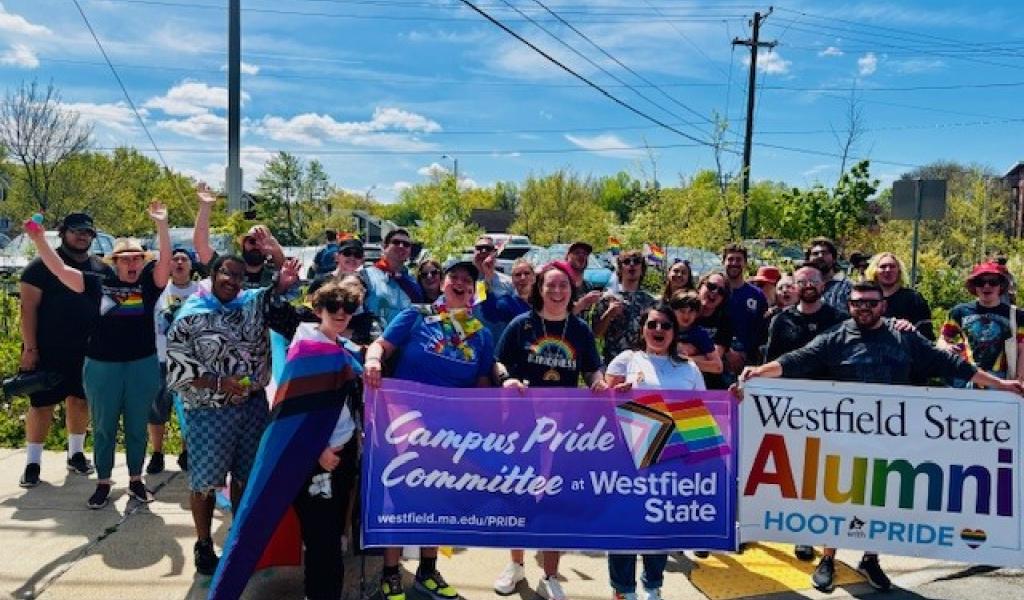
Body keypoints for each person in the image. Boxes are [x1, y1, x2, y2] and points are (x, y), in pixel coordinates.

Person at [740, 280, 1024, 593]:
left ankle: (870, 558)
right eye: (858, 302)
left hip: (891, 438)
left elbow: (950, 363)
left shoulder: (904, 336)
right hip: (843, 435)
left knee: (880, 499)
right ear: (849, 306)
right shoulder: (835, 336)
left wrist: (1001, 385)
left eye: (871, 303)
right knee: (837, 498)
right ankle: (829, 558)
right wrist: (759, 371)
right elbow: (797, 360)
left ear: (883, 305)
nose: (864, 308)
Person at [208, 278, 365, 600]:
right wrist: (318, 450)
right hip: (314, 460)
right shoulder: (307, 351)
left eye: (348, 308)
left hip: (343, 452)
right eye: (333, 307)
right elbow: (291, 415)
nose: (341, 313)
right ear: (318, 310)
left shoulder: (342, 348)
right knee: (321, 539)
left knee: (331, 535)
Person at [364, 261, 495, 600]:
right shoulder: (417, 315)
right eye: (455, 278)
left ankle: (427, 571)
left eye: (468, 281)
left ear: (473, 292)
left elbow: (482, 385)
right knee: (399, 497)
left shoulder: (481, 334)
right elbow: (380, 346)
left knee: (438, 499)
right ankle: (391, 574)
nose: (460, 283)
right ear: (443, 283)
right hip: (403, 425)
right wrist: (373, 361)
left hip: (451, 433)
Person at [26, 203, 171, 509]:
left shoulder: (149, 285)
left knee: (136, 427)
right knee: (104, 427)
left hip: (142, 364)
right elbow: (60, 270)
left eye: (136, 258)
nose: (131, 263)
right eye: (125, 258)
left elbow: (166, 263)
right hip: (102, 366)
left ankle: (136, 480)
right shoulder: (96, 283)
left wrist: (162, 225)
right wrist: (39, 240)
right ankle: (103, 482)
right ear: (115, 263)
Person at [166, 255, 304, 575]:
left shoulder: (251, 303)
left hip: (252, 406)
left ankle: (239, 537)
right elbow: (177, 372)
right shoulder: (190, 315)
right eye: (227, 273)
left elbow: (275, 299)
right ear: (214, 274)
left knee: (246, 476)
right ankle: (203, 544)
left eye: (239, 276)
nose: (233, 281)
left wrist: (283, 283)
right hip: (209, 411)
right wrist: (219, 383)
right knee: (206, 481)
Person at [494, 261, 606, 600]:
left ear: (572, 291)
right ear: (539, 289)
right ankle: (515, 565)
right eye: (551, 285)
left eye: (563, 286)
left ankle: (551, 575)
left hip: (565, 428)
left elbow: (593, 368)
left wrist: (598, 382)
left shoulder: (579, 329)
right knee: (519, 492)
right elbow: (498, 360)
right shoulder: (521, 324)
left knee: (556, 497)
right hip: (522, 425)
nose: (557, 291)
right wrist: (506, 378)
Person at [604, 304, 704, 600]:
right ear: (643, 329)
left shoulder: (689, 368)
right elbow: (602, 407)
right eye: (652, 324)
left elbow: (703, 413)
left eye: (665, 325)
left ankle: (652, 586)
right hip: (626, 456)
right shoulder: (626, 359)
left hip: (670, 458)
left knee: (659, 523)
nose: (658, 330)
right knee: (624, 522)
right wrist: (616, 394)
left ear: (674, 332)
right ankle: (623, 590)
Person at [18, 212, 112, 488]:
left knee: (80, 401)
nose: (82, 236)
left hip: (88, 349)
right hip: (48, 348)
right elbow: (27, 309)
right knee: (41, 405)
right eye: (76, 230)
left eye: (87, 232)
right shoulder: (39, 266)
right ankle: (33, 463)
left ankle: (76, 454)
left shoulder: (101, 268)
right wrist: (30, 348)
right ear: (63, 233)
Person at [148, 247, 200, 475]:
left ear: (191, 264)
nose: (179, 262)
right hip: (161, 358)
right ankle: (157, 453)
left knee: (190, 408)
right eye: (174, 259)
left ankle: (187, 452)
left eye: (184, 259)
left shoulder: (201, 290)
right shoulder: (159, 290)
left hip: (191, 361)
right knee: (157, 409)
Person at [940, 261, 1024, 384]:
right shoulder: (959, 311)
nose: (986, 286)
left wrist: (1020, 379)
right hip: (966, 377)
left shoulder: (1017, 315)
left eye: (993, 282)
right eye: (980, 282)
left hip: (1001, 379)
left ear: (1001, 286)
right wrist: (946, 346)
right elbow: (942, 339)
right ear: (974, 286)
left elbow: (1022, 349)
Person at [193, 187, 286, 289]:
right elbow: (201, 247)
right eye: (252, 241)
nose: (257, 246)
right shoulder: (227, 268)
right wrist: (205, 206)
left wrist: (276, 251)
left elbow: (285, 269)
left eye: (263, 242)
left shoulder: (275, 274)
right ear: (243, 244)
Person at [308, 239, 378, 346]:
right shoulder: (320, 282)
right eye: (347, 253)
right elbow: (309, 313)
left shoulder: (364, 285)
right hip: (323, 341)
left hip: (354, 343)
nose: (352, 258)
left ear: (362, 260)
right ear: (337, 257)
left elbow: (365, 318)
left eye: (357, 255)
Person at [593, 250, 657, 365]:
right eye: (626, 262)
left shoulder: (651, 302)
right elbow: (596, 334)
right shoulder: (606, 299)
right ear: (620, 269)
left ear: (642, 269)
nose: (632, 265)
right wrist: (608, 314)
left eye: (636, 261)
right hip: (612, 362)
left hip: (642, 362)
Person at [361, 228, 424, 329]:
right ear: (385, 247)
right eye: (396, 242)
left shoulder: (412, 282)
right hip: (374, 336)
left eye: (406, 244)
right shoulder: (366, 276)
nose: (401, 246)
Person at [864, 252, 934, 340]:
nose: (888, 270)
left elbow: (926, 335)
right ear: (875, 271)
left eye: (892, 266)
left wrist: (911, 329)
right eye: (883, 266)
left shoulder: (913, 298)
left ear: (899, 271)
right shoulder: (865, 299)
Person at [722, 244, 768, 372]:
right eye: (730, 259)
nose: (734, 263)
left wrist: (747, 355)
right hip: (718, 358)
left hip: (748, 361)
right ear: (723, 262)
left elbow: (761, 330)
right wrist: (727, 351)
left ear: (745, 263)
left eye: (738, 259)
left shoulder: (757, 295)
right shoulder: (715, 292)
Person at [669, 290, 723, 376]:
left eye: (691, 311)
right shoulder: (665, 329)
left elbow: (718, 367)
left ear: (697, 313)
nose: (686, 316)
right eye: (682, 311)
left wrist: (685, 360)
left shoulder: (700, 334)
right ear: (672, 311)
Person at [694, 272, 733, 390]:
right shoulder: (682, 311)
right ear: (700, 286)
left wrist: (681, 359)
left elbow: (714, 361)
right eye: (711, 286)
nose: (715, 292)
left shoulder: (725, 321)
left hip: (711, 385)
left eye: (721, 291)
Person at [478, 257, 534, 328]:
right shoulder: (507, 302)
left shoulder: (543, 299)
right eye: (518, 275)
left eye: (527, 273)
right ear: (512, 280)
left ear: (533, 277)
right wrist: (487, 278)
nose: (523, 278)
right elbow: (489, 315)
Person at [806, 237, 851, 310]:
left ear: (834, 258)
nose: (820, 256)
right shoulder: (803, 285)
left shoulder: (847, 286)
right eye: (815, 253)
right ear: (808, 259)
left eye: (824, 253)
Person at [565, 241, 602, 316]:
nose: (581, 256)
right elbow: (558, 317)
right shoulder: (561, 284)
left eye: (585, 254)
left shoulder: (588, 285)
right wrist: (583, 303)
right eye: (577, 253)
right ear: (567, 257)